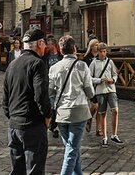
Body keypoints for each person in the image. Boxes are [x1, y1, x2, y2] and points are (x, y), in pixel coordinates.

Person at [3, 28, 52, 175]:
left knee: (17, 171)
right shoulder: (37, 64)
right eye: (44, 44)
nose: (45, 47)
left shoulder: (12, 65)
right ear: (40, 43)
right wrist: (47, 115)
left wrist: (12, 117)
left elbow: (5, 98)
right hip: (32, 125)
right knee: (34, 171)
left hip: (14, 126)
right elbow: (41, 95)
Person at [48, 35, 95, 175]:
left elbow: (50, 92)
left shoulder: (54, 68)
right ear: (74, 49)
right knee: (72, 149)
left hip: (61, 113)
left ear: (61, 51)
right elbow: (90, 91)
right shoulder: (82, 66)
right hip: (78, 111)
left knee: (72, 148)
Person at [89, 42, 121, 147]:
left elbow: (115, 74)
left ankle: (114, 134)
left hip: (111, 89)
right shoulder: (94, 63)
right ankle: (105, 137)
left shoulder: (110, 62)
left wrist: (113, 80)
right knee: (102, 113)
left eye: (104, 51)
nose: (103, 54)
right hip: (100, 91)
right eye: (101, 52)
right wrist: (99, 80)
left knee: (115, 110)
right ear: (97, 52)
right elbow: (90, 78)